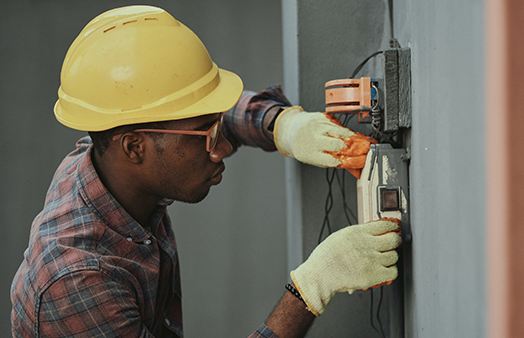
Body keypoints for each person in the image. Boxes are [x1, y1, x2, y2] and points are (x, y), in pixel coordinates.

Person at [10, 6, 402, 338]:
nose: (224, 148)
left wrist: (282, 125)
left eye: (217, 127)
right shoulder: (77, 281)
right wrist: (310, 289)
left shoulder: (106, 157)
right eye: (207, 135)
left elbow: (191, 116)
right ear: (133, 147)